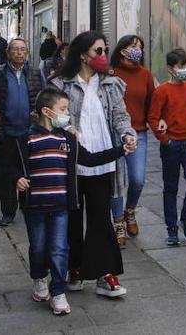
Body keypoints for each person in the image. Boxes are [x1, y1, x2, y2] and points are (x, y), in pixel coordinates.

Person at [16, 87, 135, 316]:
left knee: (60, 248)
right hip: (35, 207)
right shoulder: (27, 138)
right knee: (38, 248)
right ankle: (40, 278)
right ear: (47, 112)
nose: (67, 115)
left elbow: (90, 159)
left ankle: (58, 290)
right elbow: (14, 164)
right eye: (63, 110)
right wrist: (17, 178)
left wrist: (121, 151)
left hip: (61, 206)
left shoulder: (68, 139)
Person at [49, 31, 134, 297]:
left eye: (104, 50)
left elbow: (120, 115)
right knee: (73, 217)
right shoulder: (61, 83)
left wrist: (126, 133)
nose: (103, 56)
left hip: (103, 159)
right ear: (83, 53)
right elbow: (50, 115)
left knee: (100, 217)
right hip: (72, 160)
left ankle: (104, 273)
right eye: (98, 51)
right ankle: (74, 268)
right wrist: (67, 129)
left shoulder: (110, 84)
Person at [151, 48, 186, 246]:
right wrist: (164, 139)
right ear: (171, 69)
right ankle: (171, 228)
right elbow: (154, 118)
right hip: (171, 145)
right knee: (170, 187)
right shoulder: (162, 91)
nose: (185, 70)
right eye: (181, 66)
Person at [0, 38, 44, 227]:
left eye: (23, 49)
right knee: (6, 171)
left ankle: (26, 203)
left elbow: (43, 98)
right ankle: (8, 211)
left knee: (28, 169)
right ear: (8, 52)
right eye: (15, 50)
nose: (19, 53)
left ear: (27, 53)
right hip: (6, 130)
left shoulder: (36, 73)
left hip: (29, 132)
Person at [110, 34, 155, 246]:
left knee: (137, 178)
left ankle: (130, 210)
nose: (138, 49)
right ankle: (118, 221)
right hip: (113, 135)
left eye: (141, 46)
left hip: (138, 133)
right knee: (116, 181)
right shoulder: (110, 73)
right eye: (134, 46)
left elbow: (152, 103)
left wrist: (157, 123)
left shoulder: (145, 74)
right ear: (122, 50)